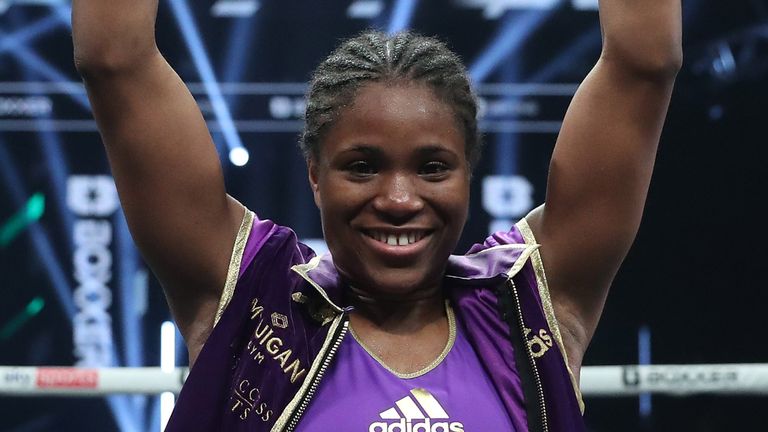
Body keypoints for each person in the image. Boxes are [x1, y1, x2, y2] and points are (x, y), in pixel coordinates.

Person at [71, 0, 682, 430]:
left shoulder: (531, 303)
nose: (397, 198)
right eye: (362, 166)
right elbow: (112, 57)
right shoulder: (250, 299)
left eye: (433, 167)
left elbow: (646, 61)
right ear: (315, 174)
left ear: (469, 175)